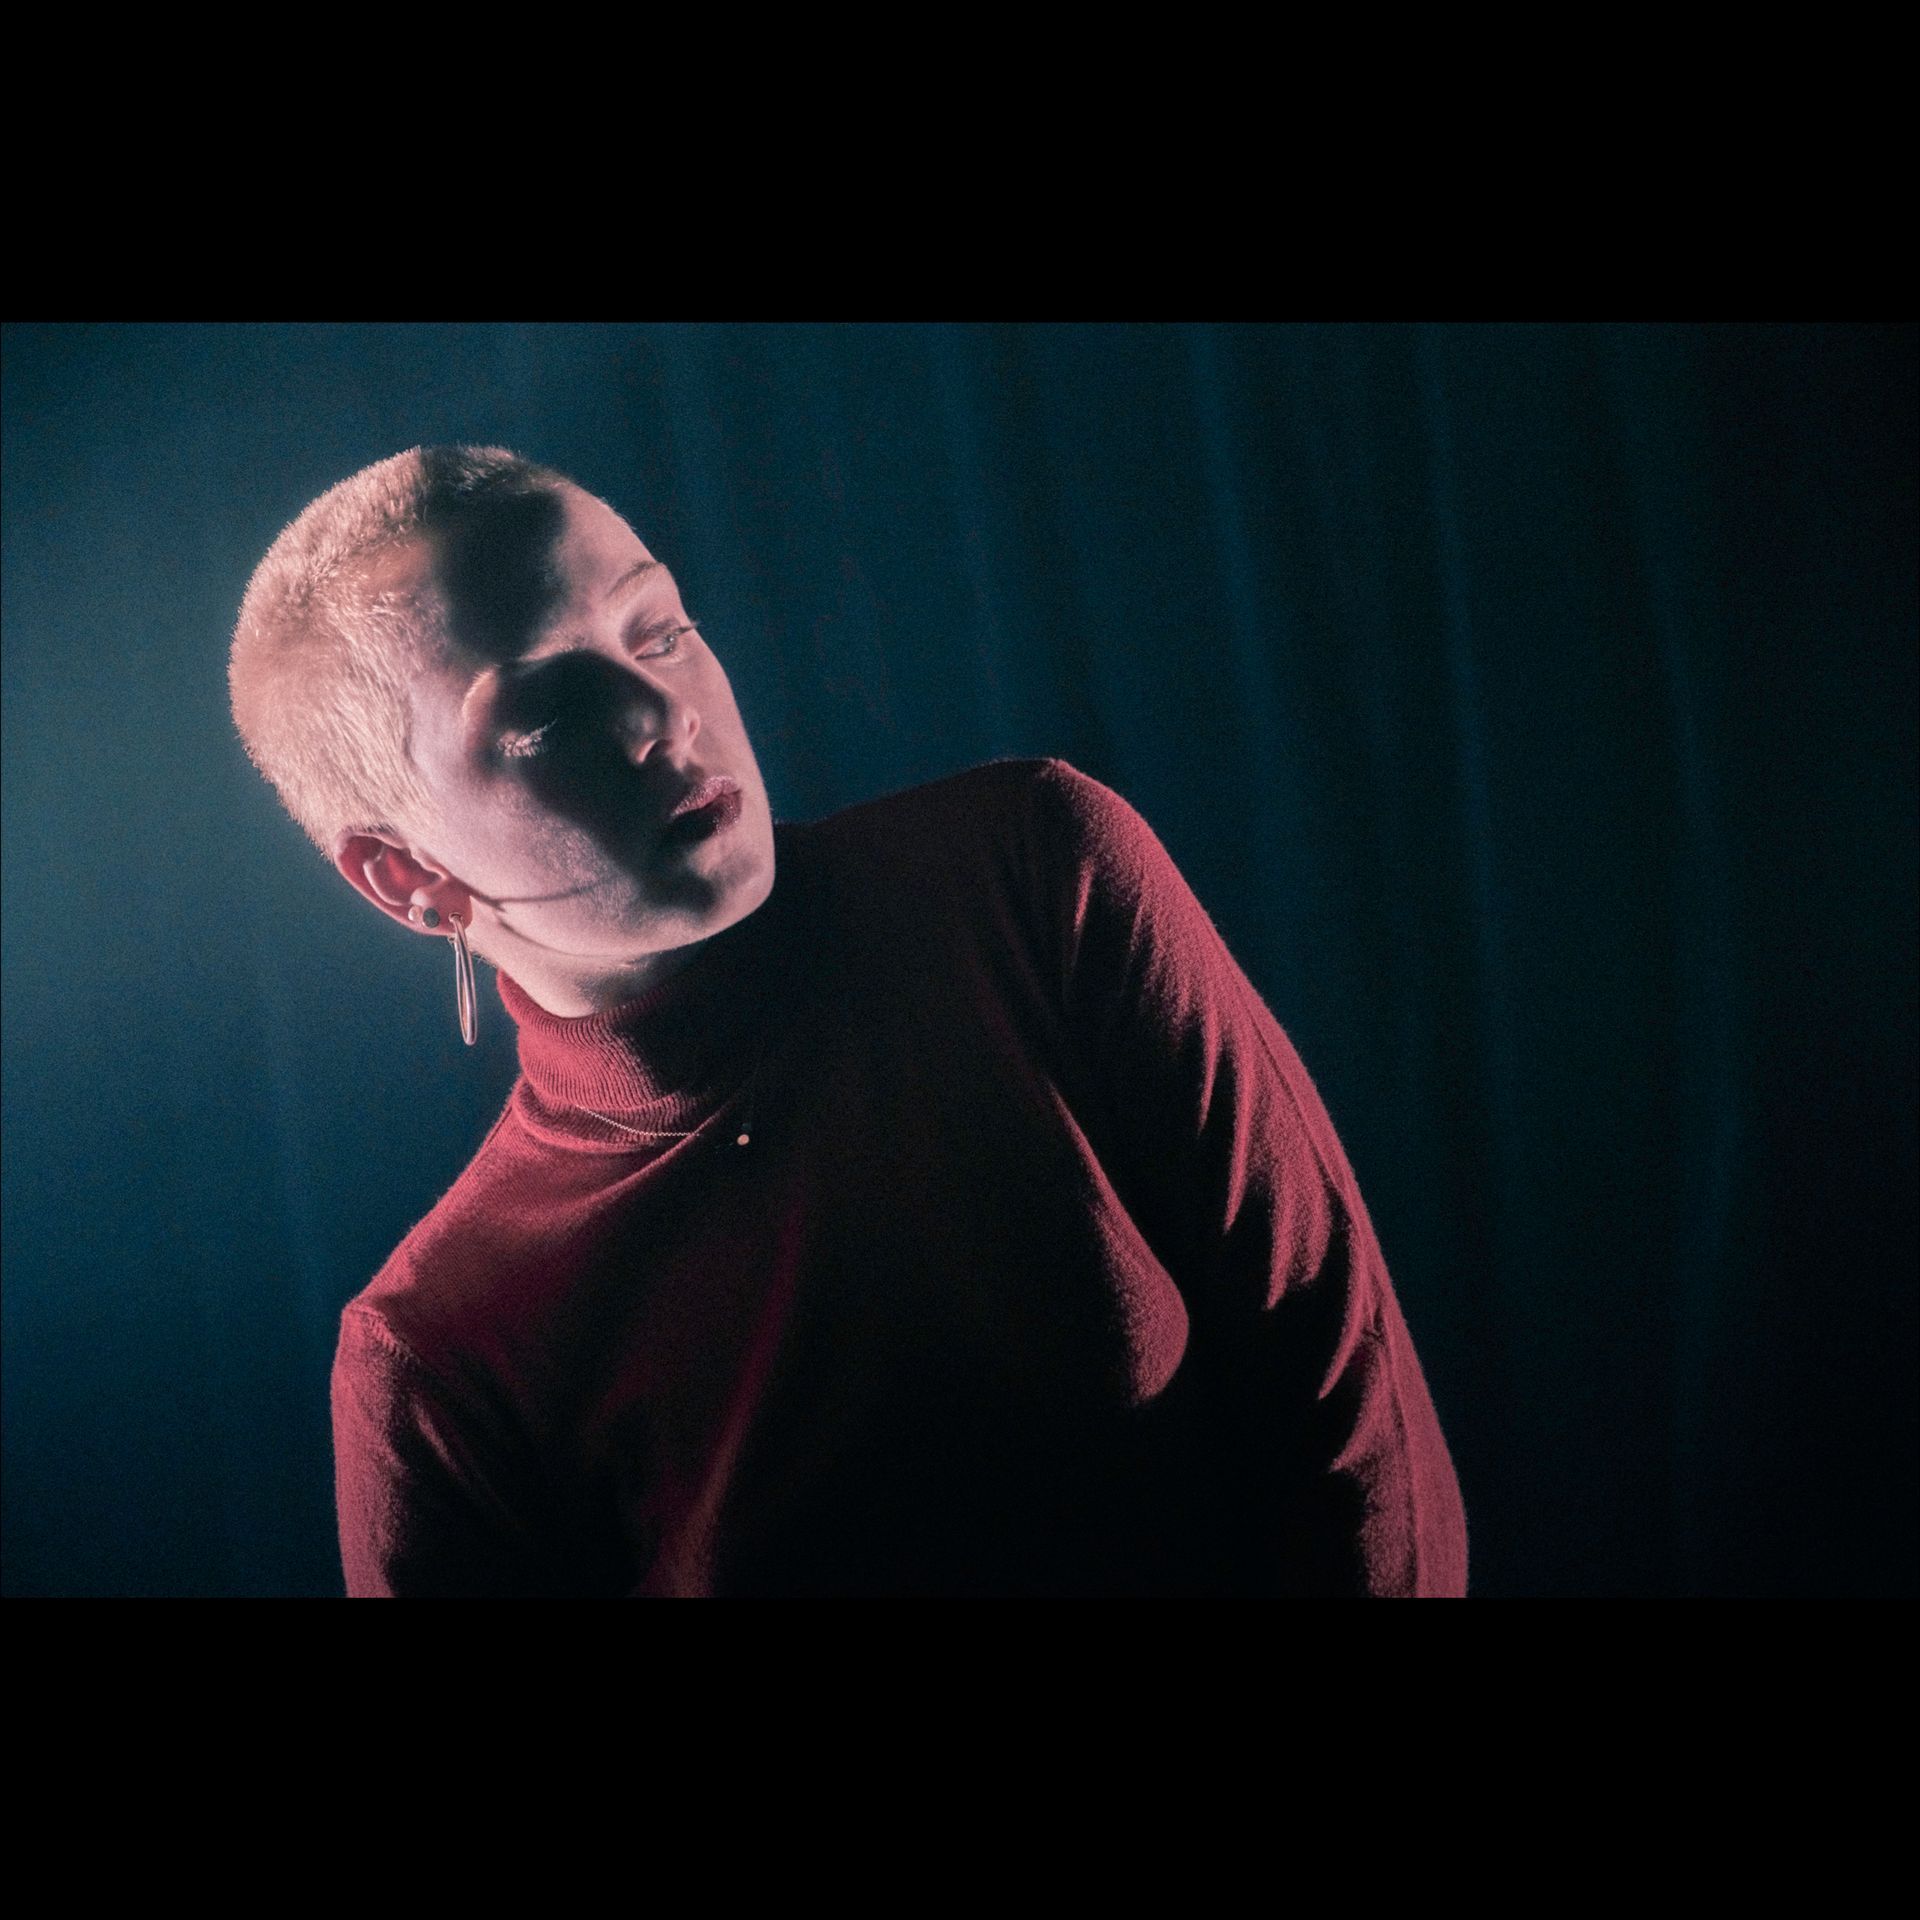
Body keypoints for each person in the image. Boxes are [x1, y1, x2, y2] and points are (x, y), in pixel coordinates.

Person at [229, 443, 1470, 1597]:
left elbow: (1347, 1419)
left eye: (660, 629)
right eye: (548, 713)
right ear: (405, 877)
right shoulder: (440, 1358)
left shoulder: (1031, 873)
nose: (664, 714)